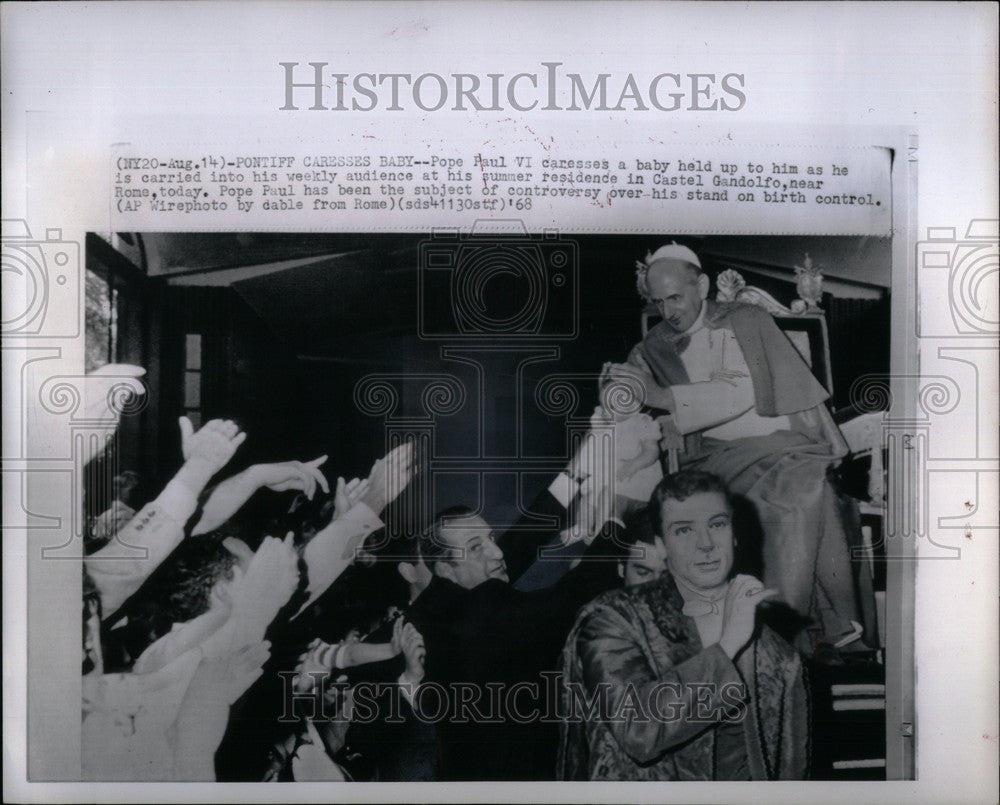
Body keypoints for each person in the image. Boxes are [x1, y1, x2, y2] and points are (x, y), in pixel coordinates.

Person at [602, 243, 876, 652]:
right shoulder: (653, 346)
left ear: (703, 286)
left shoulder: (747, 320)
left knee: (810, 484)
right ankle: (804, 628)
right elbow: (625, 400)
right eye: (659, 302)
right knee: (803, 492)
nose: (668, 311)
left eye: (676, 297)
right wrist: (616, 386)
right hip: (712, 460)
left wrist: (661, 395)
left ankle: (798, 625)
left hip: (786, 445)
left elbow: (740, 390)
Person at [558, 470, 809, 781]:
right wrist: (728, 645)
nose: (705, 544)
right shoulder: (614, 618)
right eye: (684, 530)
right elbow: (638, 730)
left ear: (733, 534)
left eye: (716, 525)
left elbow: (788, 776)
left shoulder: (780, 656)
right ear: (661, 547)